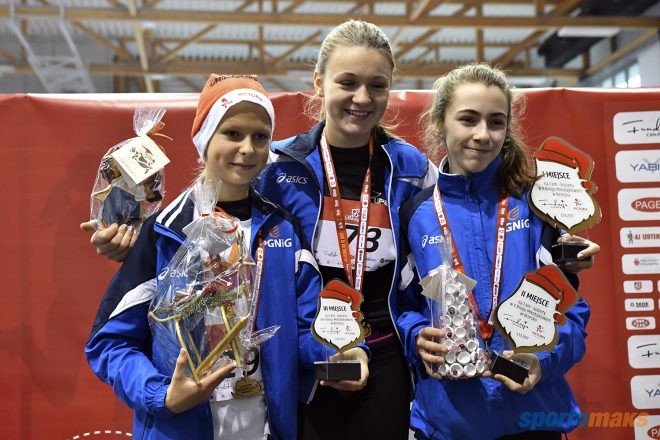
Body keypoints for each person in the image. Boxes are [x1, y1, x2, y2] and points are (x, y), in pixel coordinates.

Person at [85, 74, 329, 440]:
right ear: (204, 138)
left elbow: (307, 330)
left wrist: (339, 349)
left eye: (260, 136)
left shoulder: (284, 230)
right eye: (232, 133)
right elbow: (110, 343)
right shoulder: (165, 232)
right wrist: (162, 395)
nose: (247, 148)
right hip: (182, 427)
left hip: (266, 428)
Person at [396, 63, 598, 439]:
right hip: (450, 421)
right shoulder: (415, 213)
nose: (483, 134)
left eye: (496, 122)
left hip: (532, 416)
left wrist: (543, 361)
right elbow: (403, 306)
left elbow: (572, 312)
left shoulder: (537, 206)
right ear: (440, 124)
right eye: (468, 119)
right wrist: (416, 336)